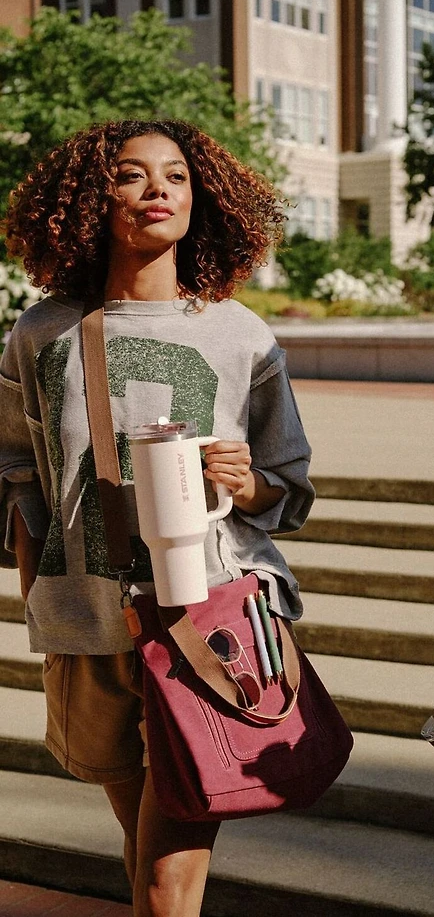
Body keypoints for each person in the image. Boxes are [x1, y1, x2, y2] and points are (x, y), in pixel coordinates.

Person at [0, 120, 314, 916]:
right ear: (91, 202)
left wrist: (245, 485)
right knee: (144, 861)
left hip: (209, 619)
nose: (157, 192)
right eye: (132, 177)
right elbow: (16, 475)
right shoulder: (41, 334)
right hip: (89, 623)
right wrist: (42, 597)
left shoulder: (240, 334)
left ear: (199, 197)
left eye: (175, 176)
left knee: (168, 881)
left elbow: (289, 483)